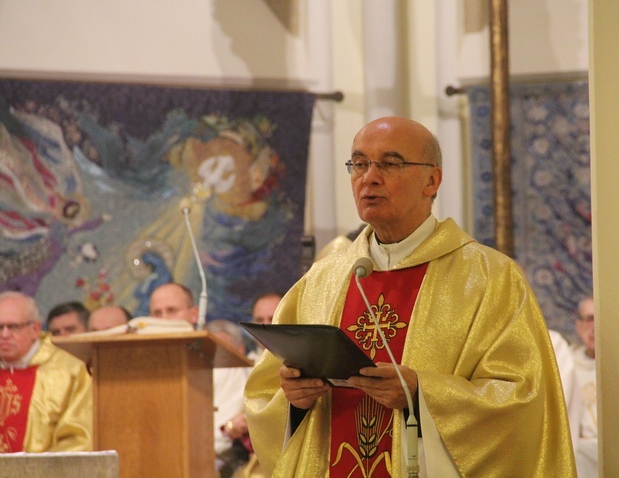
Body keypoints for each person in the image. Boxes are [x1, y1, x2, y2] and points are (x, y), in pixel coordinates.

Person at [244, 116, 576, 476]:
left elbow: (523, 401)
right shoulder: (322, 279)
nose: (369, 177)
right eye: (358, 164)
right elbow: (265, 395)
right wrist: (294, 401)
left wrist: (422, 394)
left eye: (390, 163)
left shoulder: (490, 278)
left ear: (432, 180)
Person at [0, 291, 93, 452]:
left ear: (35, 329)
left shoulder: (69, 371)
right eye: (0, 327)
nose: (5, 334)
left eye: (13, 327)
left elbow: (78, 440)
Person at [205, 319, 253, 477]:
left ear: (240, 349)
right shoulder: (194, 373)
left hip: (222, 459)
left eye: (222, 349)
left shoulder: (243, 375)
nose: (216, 357)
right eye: (210, 350)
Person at [573, 296, 597, 477]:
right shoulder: (567, 365)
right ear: (579, 326)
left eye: (599, 319)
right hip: (580, 455)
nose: (595, 328)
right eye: (589, 319)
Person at [245, 292, 281, 364]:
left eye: (272, 319)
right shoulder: (243, 368)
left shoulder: (304, 365)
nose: (265, 325)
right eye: (259, 320)